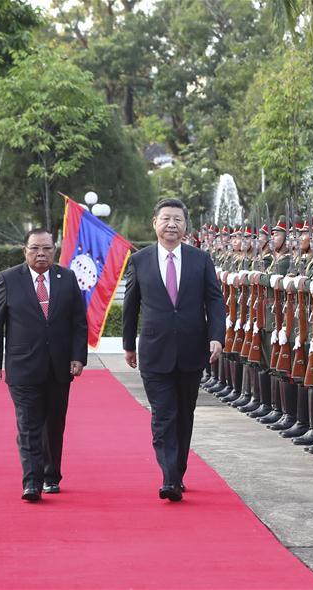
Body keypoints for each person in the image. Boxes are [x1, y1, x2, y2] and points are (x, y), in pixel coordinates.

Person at [122, 198, 225, 502]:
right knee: (163, 415)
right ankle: (169, 477)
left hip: (192, 350)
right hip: (154, 350)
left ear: (185, 226)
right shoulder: (139, 260)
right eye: (165, 219)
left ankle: (177, 469)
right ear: (154, 223)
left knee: (184, 414)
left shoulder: (200, 259)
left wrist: (216, 335)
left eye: (177, 220)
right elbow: (131, 305)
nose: (171, 225)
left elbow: (214, 301)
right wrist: (128, 344)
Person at [0, 228, 87, 502]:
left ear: (55, 250)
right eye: (35, 249)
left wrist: (78, 357)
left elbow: (79, 321)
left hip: (59, 367)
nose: (41, 254)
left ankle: (51, 475)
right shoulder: (8, 279)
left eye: (47, 249)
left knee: (54, 424)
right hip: (22, 366)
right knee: (28, 424)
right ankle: (31, 481)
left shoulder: (67, 278)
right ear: (25, 250)